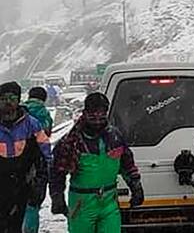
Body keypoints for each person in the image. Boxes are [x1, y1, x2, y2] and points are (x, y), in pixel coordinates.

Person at [51, 92, 143, 233]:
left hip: (109, 201)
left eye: (101, 116)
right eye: (93, 116)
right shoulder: (72, 141)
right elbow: (58, 172)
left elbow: (127, 164)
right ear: (85, 113)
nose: (97, 120)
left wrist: (135, 186)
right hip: (82, 203)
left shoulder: (115, 137)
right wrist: (57, 197)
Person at [0, 81, 51, 233]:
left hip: (23, 188)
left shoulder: (32, 124)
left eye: (12, 98)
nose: (8, 102)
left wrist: (40, 184)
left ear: (19, 100)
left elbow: (46, 155)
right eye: (3, 98)